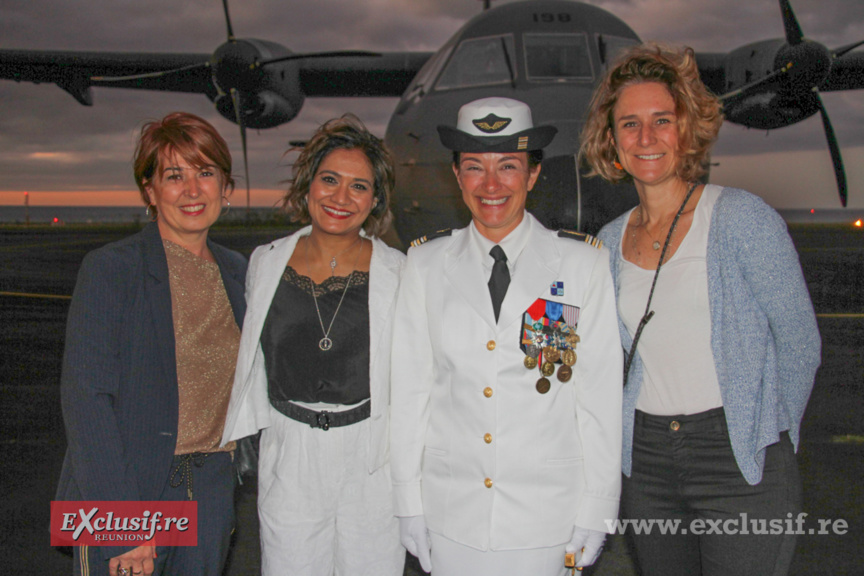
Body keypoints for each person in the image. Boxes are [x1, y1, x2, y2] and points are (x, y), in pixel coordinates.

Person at [580, 43, 821, 575]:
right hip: (646, 466)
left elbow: (800, 343)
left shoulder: (740, 219)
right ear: (612, 141)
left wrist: (769, 437)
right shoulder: (607, 241)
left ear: (685, 129)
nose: (646, 138)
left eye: (661, 120)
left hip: (738, 458)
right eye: (630, 124)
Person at [390, 97, 623, 576]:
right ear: (456, 175)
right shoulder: (426, 265)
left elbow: (598, 400)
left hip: (548, 518)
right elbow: (410, 395)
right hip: (452, 514)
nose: (491, 184)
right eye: (474, 166)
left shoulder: (582, 266)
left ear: (533, 175)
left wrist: (599, 507)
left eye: (508, 166)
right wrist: (407, 500)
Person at [56, 112, 247, 576]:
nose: (191, 190)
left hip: (210, 486)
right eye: (173, 175)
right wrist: (122, 523)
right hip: (130, 485)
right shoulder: (110, 268)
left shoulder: (240, 272)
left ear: (226, 188)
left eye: (205, 173)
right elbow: (87, 400)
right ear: (150, 190)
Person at [221, 115, 406, 576]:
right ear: (308, 186)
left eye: (359, 187)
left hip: (371, 455)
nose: (341, 198)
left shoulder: (402, 273)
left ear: (376, 200)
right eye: (330, 180)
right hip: (291, 452)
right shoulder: (264, 264)